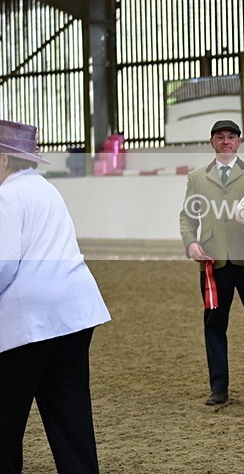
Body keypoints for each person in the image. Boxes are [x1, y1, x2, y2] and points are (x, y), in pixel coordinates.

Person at [0, 120, 111, 474]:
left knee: (5, 421)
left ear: (5, 159)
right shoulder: (47, 189)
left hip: (30, 322)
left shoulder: (6, 196)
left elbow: (3, 264)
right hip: (74, 315)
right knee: (71, 418)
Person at [179, 120, 244, 406]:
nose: (226, 141)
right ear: (212, 142)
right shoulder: (197, 177)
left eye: (231, 137)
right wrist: (191, 242)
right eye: (220, 137)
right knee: (214, 326)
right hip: (214, 261)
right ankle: (219, 388)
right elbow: (187, 216)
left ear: (239, 142)